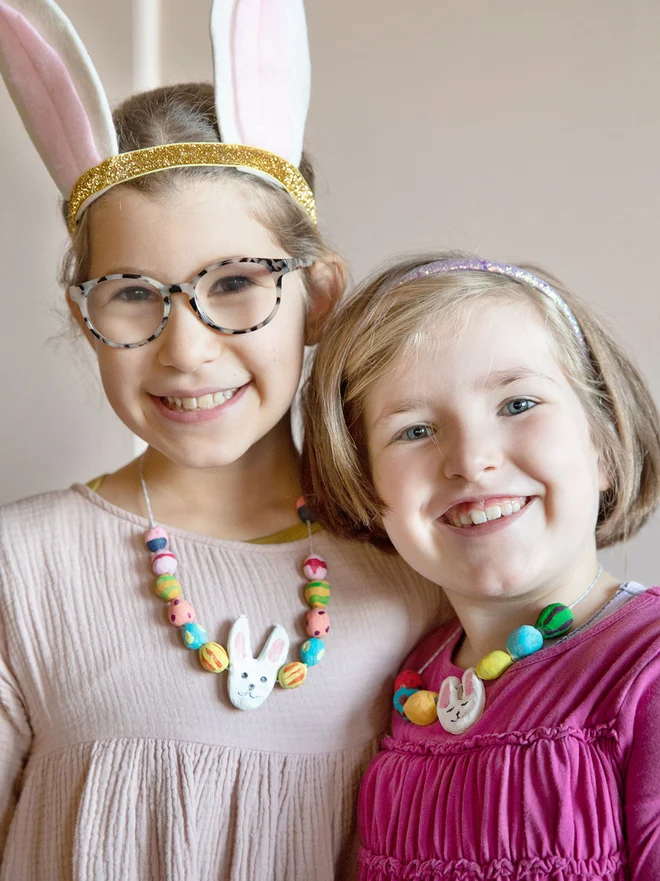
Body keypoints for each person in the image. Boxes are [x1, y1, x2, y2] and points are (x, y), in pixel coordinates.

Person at [0, 3, 444, 878]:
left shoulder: (420, 568)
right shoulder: (21, 571)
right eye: (132, 293)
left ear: (318, 296)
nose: (187, 349)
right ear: (83, 316)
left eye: (236, 282)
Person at [303, 253, 660, 879]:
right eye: (414, 431)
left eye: (518, 404)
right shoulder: (410, 683)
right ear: (367, 490)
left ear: (605, 444)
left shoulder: (646, 671)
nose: (470, 461)